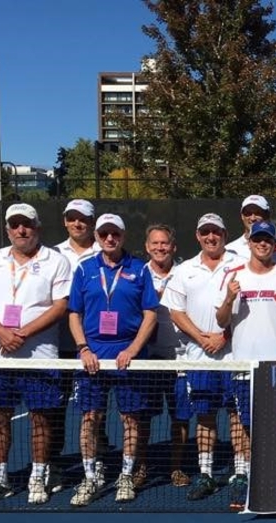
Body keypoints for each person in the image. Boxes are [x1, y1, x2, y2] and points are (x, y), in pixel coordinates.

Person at [0, 203, 72, 505]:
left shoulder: (57, 261)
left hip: (40, 356)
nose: (21, 230)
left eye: (26, 224)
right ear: (7, 229)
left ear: (37, 228)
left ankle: (38, 477)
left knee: (41, 419)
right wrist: (2, 333)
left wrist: (23, 333)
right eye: (14, 225)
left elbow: (60, 305)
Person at [68, 214, 159, 506]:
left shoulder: (139, 270)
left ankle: (126, 476)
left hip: (127, 357)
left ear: (122, 235)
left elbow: (150, 314)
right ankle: (91, 477)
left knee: (129, 419)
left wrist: (132, 349)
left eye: (115, 233)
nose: (110, 238)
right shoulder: (84, 269)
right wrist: (83, 348)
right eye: (104, 233)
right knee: (89, 418)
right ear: (97, 236)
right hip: (92, 357)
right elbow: (74, 314)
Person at [216, 220, 276, 509]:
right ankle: (245, 479)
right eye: (257, 239)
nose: (262, 244)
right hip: (243, 367)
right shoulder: (233, 276)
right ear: (250, 242)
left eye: (267, 239)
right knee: (243, 425)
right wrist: (229, 296)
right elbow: (221, 320)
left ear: (274, 244)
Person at [163, 213, 243, 501]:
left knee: (237, 416)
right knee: (206, 416)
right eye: (205, 232)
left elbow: (249, 310)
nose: (211, 237)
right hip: (199, 356)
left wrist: (224, 337)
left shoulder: (239, 263)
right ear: (198, 236)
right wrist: (201, 338)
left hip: (235, 354)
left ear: (224, 233)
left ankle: (241, 473)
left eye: (216, 232)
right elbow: (175, 311)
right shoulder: (185, 270)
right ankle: (206, 473)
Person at [53, 198, 102, 491]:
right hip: (59, 345)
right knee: (56, 408)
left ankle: (99, 457)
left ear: (91, 222)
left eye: (83, 218)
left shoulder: (106, 251)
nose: (77, 223)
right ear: (65, 221)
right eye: (72, 218)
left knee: (95, 408)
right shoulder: (52, 254)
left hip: (94, 345)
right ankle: (55, 463)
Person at [142, 224, 190, 488]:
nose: (160, 248)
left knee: (180, 416)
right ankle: (140, 467)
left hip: (181, 355)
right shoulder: (137, 274)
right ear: (147, 247)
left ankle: (177, 468)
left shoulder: (185, 273)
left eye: (165, 243)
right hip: (148, 358)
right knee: (142, 416)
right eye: (155, 243)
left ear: (173, 247)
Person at [225, 194, 271, 261]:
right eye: (248, 213)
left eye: (258, 213)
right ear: (242, 216)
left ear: (267, 215)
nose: (252, 218)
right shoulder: (229, 250)